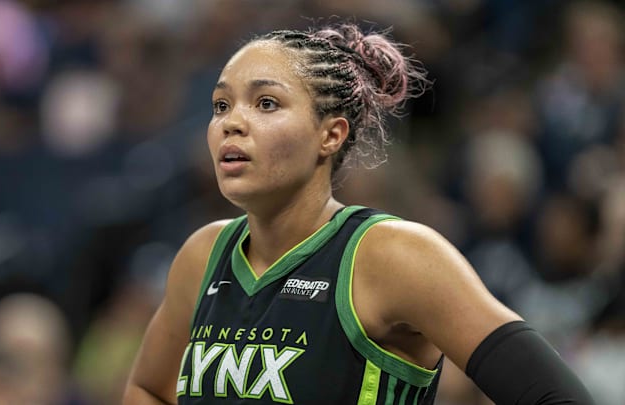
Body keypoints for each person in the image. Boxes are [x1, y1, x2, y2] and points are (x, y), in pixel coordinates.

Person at [123, 23, 594, 405]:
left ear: (330, 134)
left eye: (266, 103)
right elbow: (147, 388)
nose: (232, 121)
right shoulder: (203, 256)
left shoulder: (394, 255)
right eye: (221, 105)